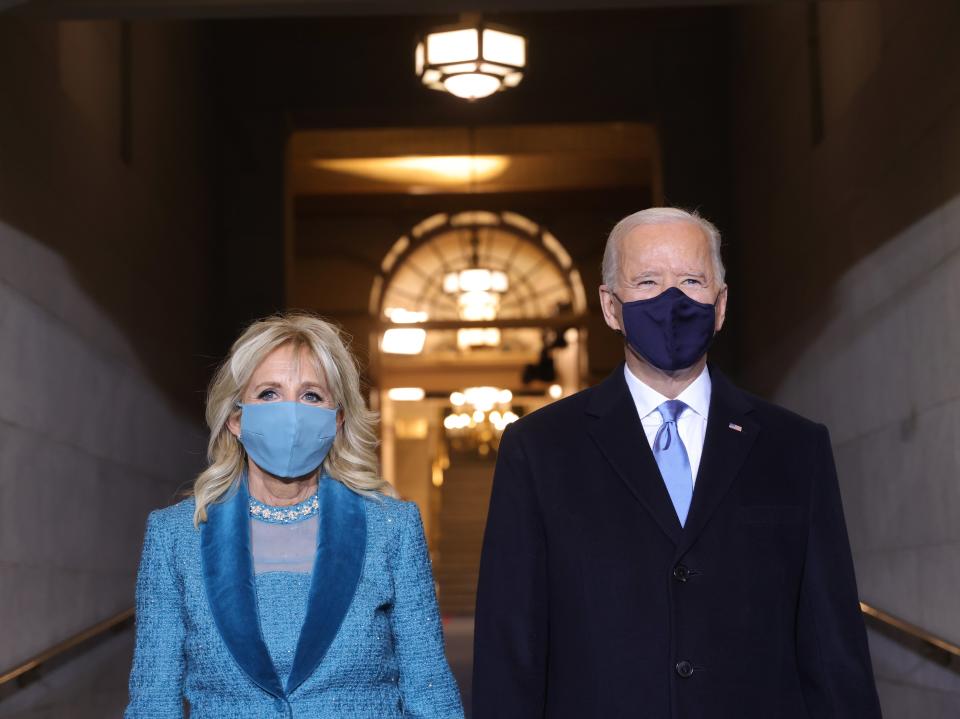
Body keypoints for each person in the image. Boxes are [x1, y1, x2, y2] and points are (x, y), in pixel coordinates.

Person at [472, 208, 882, 718]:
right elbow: (511, 644)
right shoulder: (539, 448)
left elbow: (831, 640)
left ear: (721, 303)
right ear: (610, 306)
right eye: (647, 281)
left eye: (692, 280)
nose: (673, 300)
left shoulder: (795, 447)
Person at [126, 313, 463, 718]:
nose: (290, 412)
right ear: (236, 418)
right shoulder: (176, 536)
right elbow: (153, 704)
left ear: (337, 419)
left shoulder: (392, 528)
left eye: (311, 396)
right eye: (268, 393)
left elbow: (431, 692)